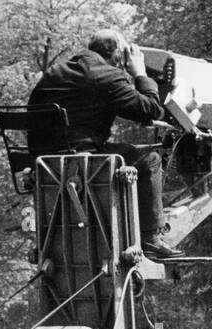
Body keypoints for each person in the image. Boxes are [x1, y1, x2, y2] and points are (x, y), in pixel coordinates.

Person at [28, 30, 178, 259]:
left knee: (128, 151)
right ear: (118, 53)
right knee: (150, 160)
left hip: (46, 165)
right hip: (86, 163)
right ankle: (150, 238)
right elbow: (150, 109)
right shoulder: (106, 75)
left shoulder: (53, 73)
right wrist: (139, 73)